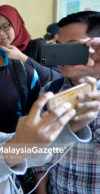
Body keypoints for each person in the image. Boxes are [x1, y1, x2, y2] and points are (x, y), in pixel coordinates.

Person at [32, 11, 100, 194]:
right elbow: (40, 148)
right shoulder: (49, 91)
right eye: (59, 47)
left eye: (72, 48)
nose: (62, 55)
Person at [0, 5, 63, 86]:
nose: (0, 33)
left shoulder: (38, 46)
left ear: (16, 25)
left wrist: (22, 58)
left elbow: (57, 77)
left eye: (5, 27)